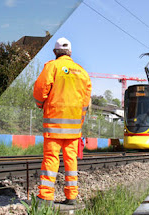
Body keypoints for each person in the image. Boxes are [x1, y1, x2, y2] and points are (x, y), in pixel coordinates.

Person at [33, 37, 92, 205]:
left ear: (55, 52)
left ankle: (45, 198)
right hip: (74, 129)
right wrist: (79, 120)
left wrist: (40, 105)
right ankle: (71, 197)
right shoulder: (83, 72)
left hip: (54, 125)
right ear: (70, 53)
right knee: (70, 160)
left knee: (51, 159)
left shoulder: (52, 67)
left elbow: (39, 91)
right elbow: (85, 102)